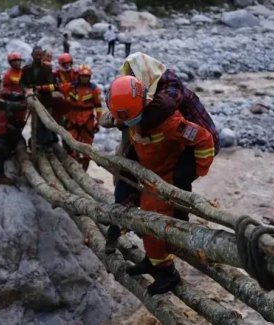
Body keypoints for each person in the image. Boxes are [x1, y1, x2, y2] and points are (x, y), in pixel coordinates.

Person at [106, 75, 215, 295]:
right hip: (148, 177)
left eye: (129, 120)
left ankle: (168, 273)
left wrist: (191, 172)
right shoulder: (134, 116)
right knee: (147, 223)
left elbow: (204, 139)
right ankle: (153, 261)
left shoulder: (169, 122)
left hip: (165, 180)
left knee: (158, 225)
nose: (127, 125)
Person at [102, 52, 219, 252]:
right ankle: (124, 217)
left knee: (180, 179)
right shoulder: (139, 91)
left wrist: (129, 117)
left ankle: (181, 226)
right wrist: (118, 117)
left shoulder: (168, 87)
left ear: (143, 72)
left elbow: (161, 111)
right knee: (127, 170)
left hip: (193, 140)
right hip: (163, 140)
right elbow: (118, 111)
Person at [0, 73, 27, 185]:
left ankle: (8, 153)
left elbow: (10, 95)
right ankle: (1, 176)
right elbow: (6, 104)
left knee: (15, 135)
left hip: (1, 126)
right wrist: (23, 106)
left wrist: (23, 96)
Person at [64, 64, 102, 170]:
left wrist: (98, 122)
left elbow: (98, 107)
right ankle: (72, 168)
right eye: (82, 76)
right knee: (70, 143)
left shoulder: (94, 90)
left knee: (87, 147)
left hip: (87, 121)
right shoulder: (71, 87)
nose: (84, 79)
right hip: (73, 119)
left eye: (86, 77)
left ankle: (84, 171)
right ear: (78, 76)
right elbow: (59, 89)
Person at [20, 46, 58, 149]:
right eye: (36, 55)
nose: (38, 57)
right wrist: (27, 90)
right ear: (32, 55)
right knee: (35, 124)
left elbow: (54, 86)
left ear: (42, 56)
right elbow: (22, 83)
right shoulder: (26, 69)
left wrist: (40, 88)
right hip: (33, 101)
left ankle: (48, 146)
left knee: (47, 123)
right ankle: (36, 144)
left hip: (46, 101)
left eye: (40, 55)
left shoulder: (47, 69)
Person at [2, 52, 27, 135]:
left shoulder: (23, 72)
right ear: (10, 62)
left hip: (24, 103)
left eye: (19, 60)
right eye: (15, 61)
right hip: (14, 105)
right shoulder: (8, 75)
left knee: (21, 123)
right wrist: (16, 96)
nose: (17, 62)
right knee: (14, 126)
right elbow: (6, 92)